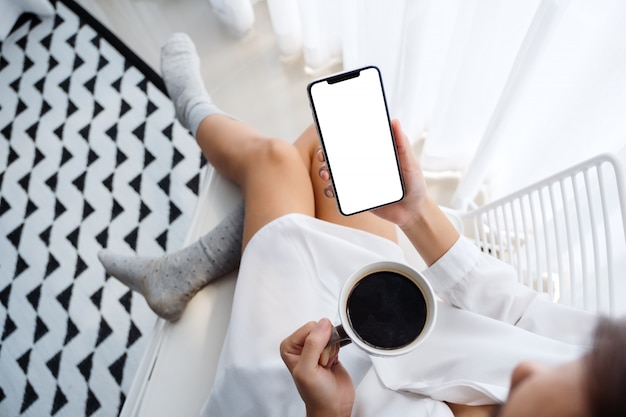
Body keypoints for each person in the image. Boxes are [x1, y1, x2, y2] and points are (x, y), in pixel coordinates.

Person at [98, 33, 626, 417]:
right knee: (329, 142)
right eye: (566, 369)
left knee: (277, 161)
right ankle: (193, 263)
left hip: (300, 387)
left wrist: (328, 413)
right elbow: (514, 309)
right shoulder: (610, 372)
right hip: (394, 312)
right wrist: (414, 212)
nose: (530, 369)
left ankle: (192, 110)